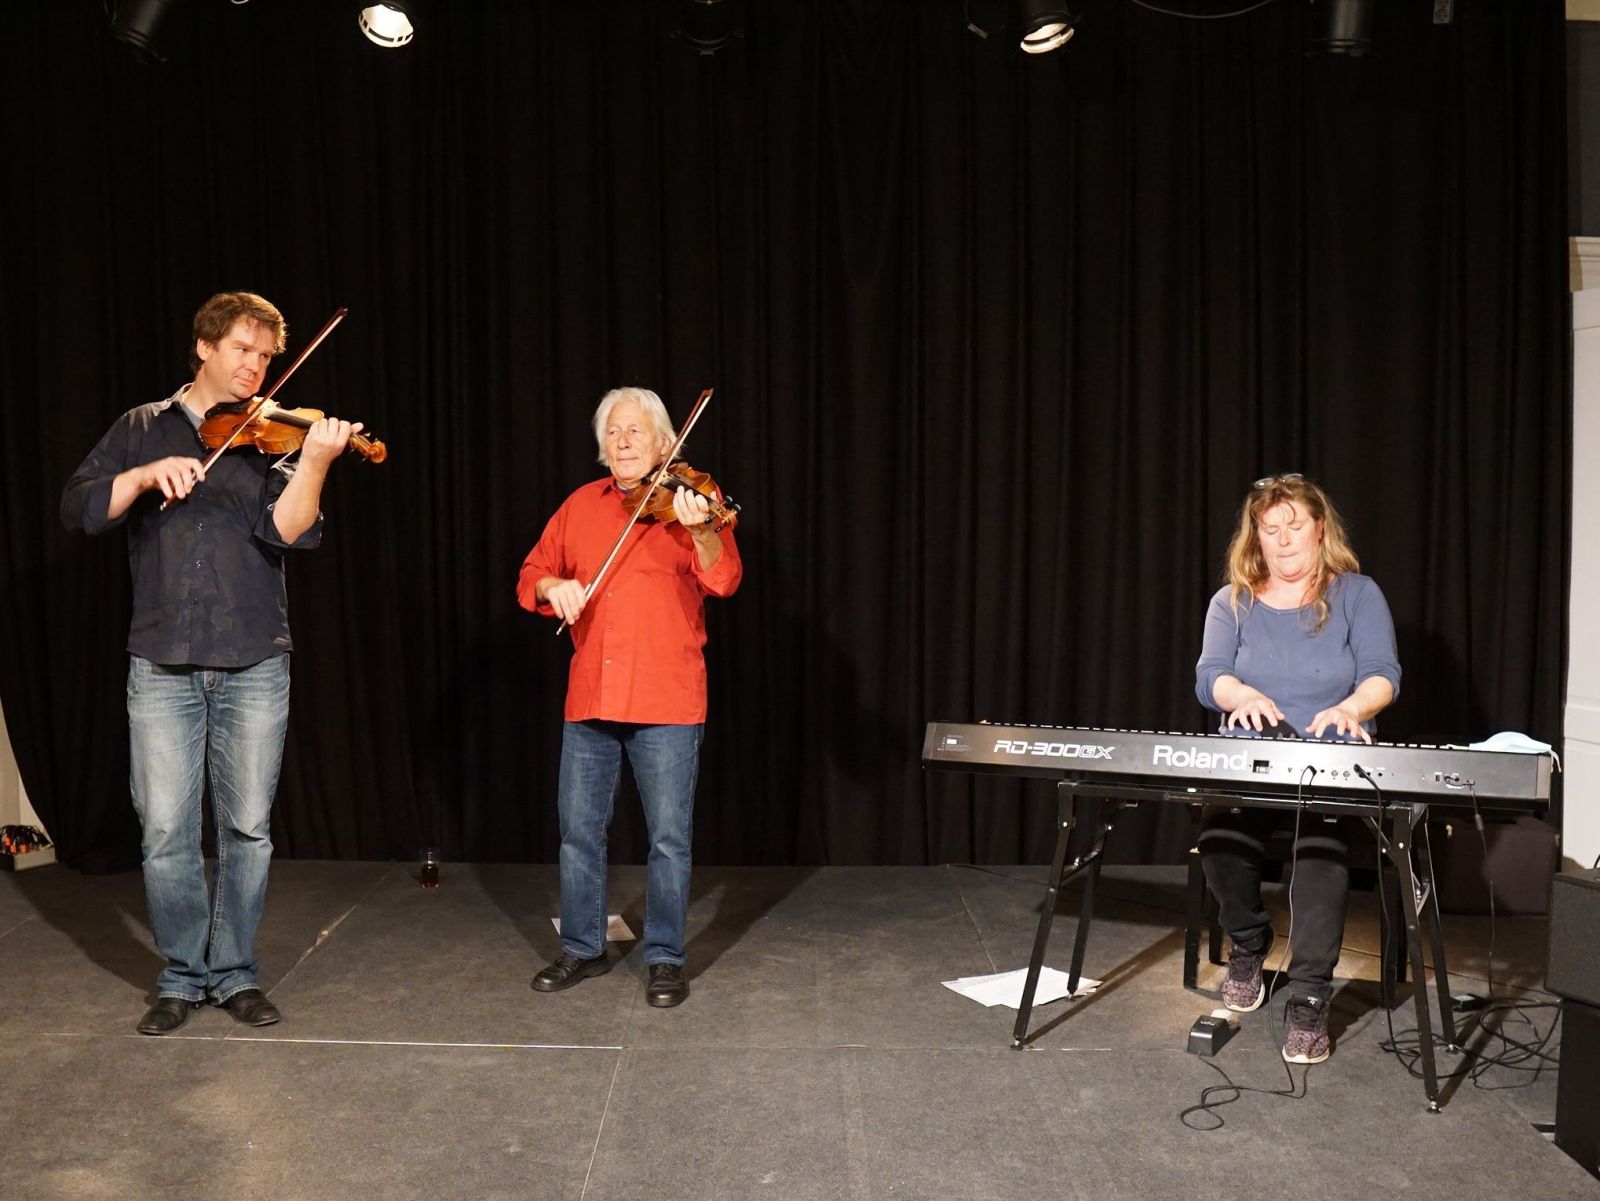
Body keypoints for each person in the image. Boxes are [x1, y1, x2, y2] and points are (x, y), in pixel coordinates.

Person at [61, 291, 362, 1035]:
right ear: (204, 346)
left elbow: (290, 532)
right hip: (161, 655)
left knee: (247, 827)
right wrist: (142, 476)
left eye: (266, 355)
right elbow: (80, 508)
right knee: (165, 828)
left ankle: (233, 972)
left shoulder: (271, 436)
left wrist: (315, 463)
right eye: (242, 350)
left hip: (253, 655)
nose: (256, 367)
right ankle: (181, 975)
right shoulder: (141, 426)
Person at [517, 386, 741, 1009]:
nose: (622, 441)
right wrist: (554, 586)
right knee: (578, 833)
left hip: (667, 697)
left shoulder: (691, 503)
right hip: (591, 693)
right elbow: (530, 575)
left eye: (636, 431)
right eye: (612, 432)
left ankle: (665, 958)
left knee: (668, 838)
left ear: (666, 443)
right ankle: (583, 947)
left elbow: (724, 579)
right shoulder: (580, 505)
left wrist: (701, 532)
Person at [1194, 473, 1401, 1064]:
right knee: (1220, 839)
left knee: (1320, 854)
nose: (1283, 540)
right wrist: (1240, 695)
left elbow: (1383, 674)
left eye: (1295, 526)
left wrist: (1351, 709)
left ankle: (1310, 996)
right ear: (1255, 536)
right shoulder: (1231, 601)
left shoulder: (1357, 594)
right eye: (1270, 529)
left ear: (1320, 528)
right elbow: (1210, 676)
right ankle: (1250, 942)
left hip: (1332, 759)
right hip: (1253, 759)